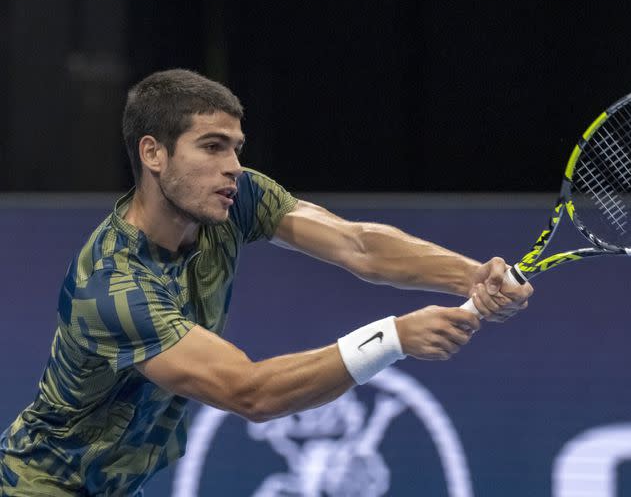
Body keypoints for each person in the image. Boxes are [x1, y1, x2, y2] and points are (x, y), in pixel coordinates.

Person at [0, 69, 533, 496]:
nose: (233, 166)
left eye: (236, 148)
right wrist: (392, 339)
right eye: (212, 147)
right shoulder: (113, 287)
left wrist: (474, 274)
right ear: (153, 154)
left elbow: (358, 244)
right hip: (42, 486)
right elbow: (248, 391)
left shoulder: (236, 200)